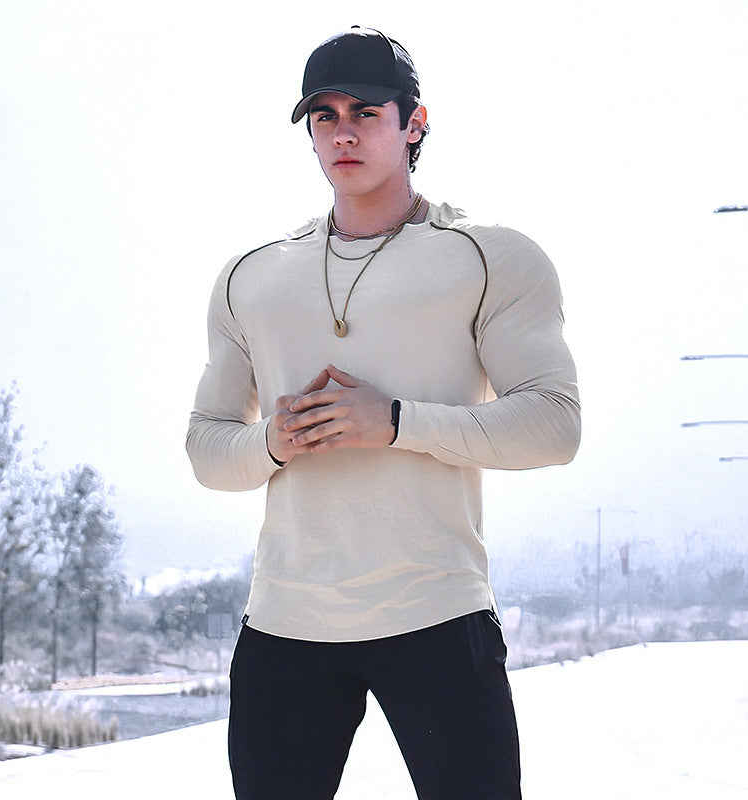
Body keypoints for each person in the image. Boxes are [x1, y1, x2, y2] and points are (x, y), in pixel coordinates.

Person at [186, 26, 580, 800]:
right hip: (286, 625)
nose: (343, 132)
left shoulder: (488, 256)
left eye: (366, 112)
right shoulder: (251, 276)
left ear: (414, 123)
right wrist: (274, 440)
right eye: (324, 115)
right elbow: (207, 447)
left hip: (437, 613)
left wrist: (397, 423)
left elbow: (554, 425)